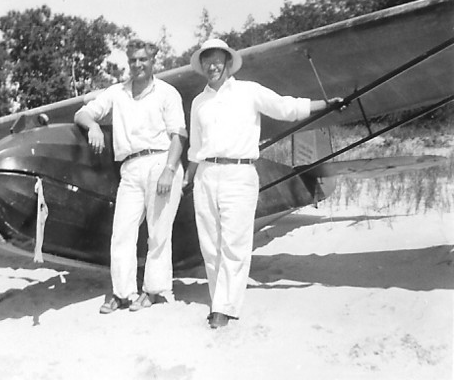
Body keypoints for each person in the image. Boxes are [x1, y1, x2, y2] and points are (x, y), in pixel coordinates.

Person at [183, 39, 343, 329]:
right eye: (207, 61)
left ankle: (224, 307)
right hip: (206, 175)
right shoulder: (198, 102)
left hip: (240, 173)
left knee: (235, 242)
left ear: (228, 63)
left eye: (218, 60)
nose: (212, 66)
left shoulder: (249, 91)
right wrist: (188, 177)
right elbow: (195, 147)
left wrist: (323, 105)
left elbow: (285, 107)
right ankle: (218, 297)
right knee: (209, 244)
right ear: (202, 66)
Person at [74, 39, 187, 314]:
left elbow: (179, 135)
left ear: (152, 62)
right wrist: (94, 128)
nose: (137, 65)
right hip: (130, 166)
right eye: (133, 60)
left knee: (159, 232)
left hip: (161, 161)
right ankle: (122, 293)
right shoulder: (116, 92)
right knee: (122, 233)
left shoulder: (167, 93)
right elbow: (82, 112)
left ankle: (153, 291)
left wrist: (169, 170)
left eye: (143, 60)